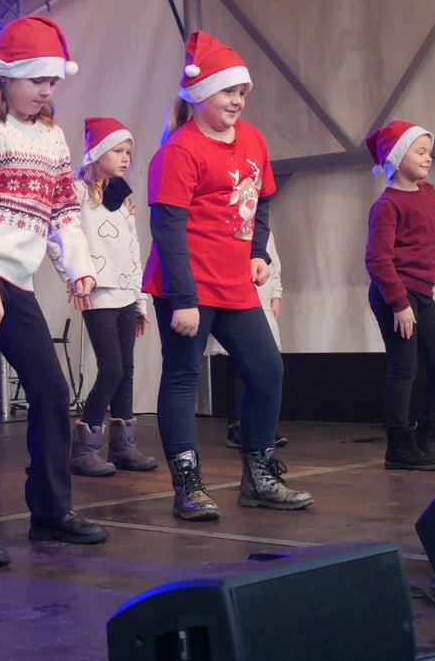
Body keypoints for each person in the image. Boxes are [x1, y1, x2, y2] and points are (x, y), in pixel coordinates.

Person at [0, 15, 109, 568]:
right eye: (37, 80)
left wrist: (78, 267)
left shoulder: (52, 139)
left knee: (52, 394)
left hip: (18, 280)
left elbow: (63, 211)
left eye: (53, 81)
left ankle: (51, 511)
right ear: (5, 79)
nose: (47, 90)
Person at [142, 30, 313, 521]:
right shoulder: (180, 151)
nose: (237, 100)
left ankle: (258, 475)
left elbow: (262, 200)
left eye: (242, 92)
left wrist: (258, 252)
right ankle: (188, 486)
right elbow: (167, 228)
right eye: (227, 91)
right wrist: (183, 298)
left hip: (234, 281)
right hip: (188, 284)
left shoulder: (253, 140)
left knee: (267, 370)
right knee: (183, 376)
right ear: (199, 94)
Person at [58, 117, 157, 477]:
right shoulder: (76, 192)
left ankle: (123, 446)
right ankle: (84, 446)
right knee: (112, 368)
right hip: (98, 292)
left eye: (128, 151)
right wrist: (74, 278)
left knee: (126, 369)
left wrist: (141, 300)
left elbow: (133, 251)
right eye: (117, 150)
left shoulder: (122, 197)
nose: (125, 157)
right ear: (96, 152)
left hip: (126, 293)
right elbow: (59, 237)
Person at [364, 120, 435, 471]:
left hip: (420, 292)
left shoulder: (430, 195)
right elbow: (377, 259)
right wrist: (399, 303)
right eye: (420, 152)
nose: (428, 158)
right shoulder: (387, 205)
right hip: (395, 292)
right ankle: (399, 446)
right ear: (397, 156)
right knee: (405, 368)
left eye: (429, 152)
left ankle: (426, 436)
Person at [207, 231, 288, 448]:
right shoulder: (233, 226)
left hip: (262, 304)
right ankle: (237, 425)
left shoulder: (265, 232)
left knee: (267, 367)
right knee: (239, 369)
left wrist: (276, 295)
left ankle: (262, 425)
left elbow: (273, 263)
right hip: (239, 303)